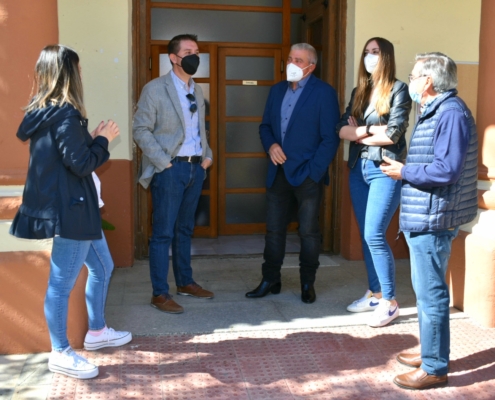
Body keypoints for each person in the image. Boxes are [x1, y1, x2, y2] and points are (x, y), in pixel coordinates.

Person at [10, 45, 132, 380]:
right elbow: (81, 163)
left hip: (75, 207)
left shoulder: (47, 111)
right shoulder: (65, 113)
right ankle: (60, 351)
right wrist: (103, 140)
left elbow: (69, 156)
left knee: (103, 266)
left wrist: (91, 140)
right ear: (67, 73)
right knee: (61, 283)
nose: (80, 74)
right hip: (72, 210)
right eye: (76, 69)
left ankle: (96, 331)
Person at [380, 52, 478, 390]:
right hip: (427, 213)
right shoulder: (436, 110)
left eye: (414, 74)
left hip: (435, 217)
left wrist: (403, 170)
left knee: (432, 294)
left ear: (429, 81)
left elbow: (446, 170)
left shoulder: (450, 113)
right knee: (425, 292)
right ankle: (430, 351)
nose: (410, 81)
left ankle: (435, 368)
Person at [245, 43, 340, 304]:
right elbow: (265, 127)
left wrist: (314, 172)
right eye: (289, 58)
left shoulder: (324, 93)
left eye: (298, 60)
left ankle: (307, 282)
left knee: (308, 232)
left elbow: (329, 139)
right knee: (274, 230)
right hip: (278, 173)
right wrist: (271, 145)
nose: (292, 64)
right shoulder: (277, 91)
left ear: (311, 66)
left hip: (308, 176)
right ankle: (270, 279)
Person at [133, 34, 213, 314]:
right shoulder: (155, 89)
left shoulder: (198, 90)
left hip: (195, 168)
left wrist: (207, 157)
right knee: (163, 234)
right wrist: (164, 163)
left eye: (197, 50)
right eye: (188, 51)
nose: (195, 55)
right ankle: (160, 293)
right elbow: (140, 129)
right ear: (173, 57)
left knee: (185, 230)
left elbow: (199, 129)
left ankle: (185, 283)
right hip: (170, 169)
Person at [336, 37, 412, 327]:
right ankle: (375, 292)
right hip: (358, 169)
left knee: (375, 235)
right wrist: (368, 130)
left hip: (384, 170)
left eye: (375, 52)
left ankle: (389, 302)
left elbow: (393, 135)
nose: (369, 57)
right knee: (367, 237)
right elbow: (341, 129)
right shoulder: (360, 91)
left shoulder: (398, 89)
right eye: (367, 52)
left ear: (386, 56)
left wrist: (359, 132)